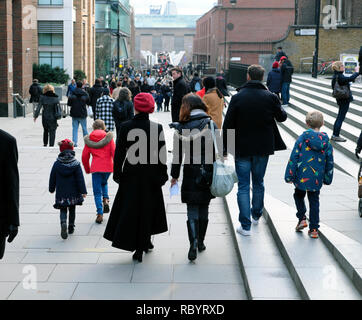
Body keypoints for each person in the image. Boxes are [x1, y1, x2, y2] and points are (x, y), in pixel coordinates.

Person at [223, 65, 288, 236]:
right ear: (262, 77)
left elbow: (228, 124)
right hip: (262, 147)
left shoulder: (238, 97)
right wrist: (277, 104)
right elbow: (282, 117)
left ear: (248, 77)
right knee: (258, 182)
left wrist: (225, 148)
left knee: (243, 185)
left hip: (242, 148)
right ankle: (256, 215)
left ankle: (245, 226)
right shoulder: (270, 97)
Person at [103, 93, 168, 263]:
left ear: (136, 107)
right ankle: (144, 242)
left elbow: (119, 153)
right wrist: (163, 174)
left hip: (131, 173)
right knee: (148, 208)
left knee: (132, 209)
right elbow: (161, 155)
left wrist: (117, 173)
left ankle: (137, 245)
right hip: (151, 175)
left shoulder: (125, 126)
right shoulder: (157, 128)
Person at [170, 94, 220, 261]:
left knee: (192, 208)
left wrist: (174, 176)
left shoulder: (181, 127)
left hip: (190, 170)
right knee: (204, 206)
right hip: (207, 170)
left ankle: (193, 242)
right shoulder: (210, 124)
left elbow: (177, 155)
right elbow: (222, 148)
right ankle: (201, 242)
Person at [284, 111, 334, 239]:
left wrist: (289, 175)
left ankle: (302, 218)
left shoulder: (302, 138)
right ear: (323, 123)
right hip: (317, 177)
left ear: (307, 123)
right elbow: (330, 161)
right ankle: (314, 229)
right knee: (314, 200)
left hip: (302, 174)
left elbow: (294, 156)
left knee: (298, 195)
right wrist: (328, 178)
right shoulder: (326, 142)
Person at [49, 139, 87, 239]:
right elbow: (80, 178)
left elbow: (52, 177)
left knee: (62, 208)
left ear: (61, 150)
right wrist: (83, 191)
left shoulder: (57, 164)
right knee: (72, 208)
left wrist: (51, 188)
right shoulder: (76, 164)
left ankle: (63, 223)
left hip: (61, 192)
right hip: (73, 192)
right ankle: (71, 226)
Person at [82, 120, 116, 224]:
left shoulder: (89, 140)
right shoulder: (108, 138)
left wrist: (87, 169)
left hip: (96, 168)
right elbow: (114, 152)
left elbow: (84, 156)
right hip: (108, 167)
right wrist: (117, 167)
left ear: (93, 128)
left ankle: (100, 213)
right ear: (103, 127)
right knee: (104, 182)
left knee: (97, 192)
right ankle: (105, 198)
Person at [0, 130, 19, 260]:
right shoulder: (6, 141)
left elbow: (12, 184)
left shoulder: (7, 141)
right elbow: (12, 184)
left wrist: (13, 220)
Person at [331, 62, 360, 142]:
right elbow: (349, 79)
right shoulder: (339, 76)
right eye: (342, 66)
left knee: (340, 116)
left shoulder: (336, 75)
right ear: (339, 67)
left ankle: (335, 134)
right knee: (340, 117)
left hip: (340, 99)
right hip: (344, 99)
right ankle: (335, 135)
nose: (344, 67)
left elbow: (347, 81)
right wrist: (357, 72)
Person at [67, 81, 90, 147]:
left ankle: (74, 142)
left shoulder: (72, 93)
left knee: (75, 128)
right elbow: (88, 102)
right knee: (84, 128)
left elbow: (69, 104)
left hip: (74, 113)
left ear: (76, 85)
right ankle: (87, 143)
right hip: (82, 113)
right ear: (82, 86)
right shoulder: (85, 94)